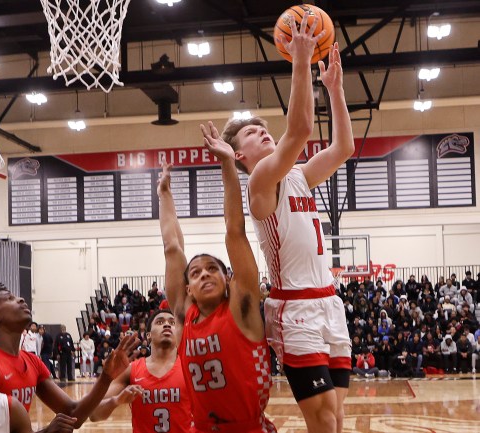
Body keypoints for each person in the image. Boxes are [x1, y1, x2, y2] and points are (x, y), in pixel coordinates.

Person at [216, 18, 354, 433]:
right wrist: (300, 60)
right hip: (294, 308)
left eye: (263, 129)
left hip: (329, 303)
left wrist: (335, 90)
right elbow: (300, 128)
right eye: (253, 135)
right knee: (324, 416)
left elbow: (343, 147)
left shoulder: (299, 175)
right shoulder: (260, 181)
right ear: (240, 157)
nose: (264, 134)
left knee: (337, 417)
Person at [159, 119, 274, 430]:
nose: (205, 275)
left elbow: (234, 231)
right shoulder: (184, 314)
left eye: (213, 269)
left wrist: (227, 163)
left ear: (228, 280)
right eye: (195, 273)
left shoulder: (241, 307)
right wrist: (164, 195)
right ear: (188, 288)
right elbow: (172, 248)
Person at [0, 282, 139, 429]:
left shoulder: (32, 361)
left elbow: (73, 414)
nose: (21, 299)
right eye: (10, 298)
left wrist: (106, 377)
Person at [90, 309, 192, 432]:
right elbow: (93, 414)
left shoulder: (191, 367)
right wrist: (115, 400)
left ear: (179, 332)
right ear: (148, 335)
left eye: (172, 322)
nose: (166, 324)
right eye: (160, 322)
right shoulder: (131, 370)